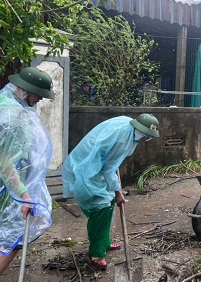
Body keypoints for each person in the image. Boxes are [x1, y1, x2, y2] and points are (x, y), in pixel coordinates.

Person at [0, 66, 54, 282]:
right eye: (38, 94)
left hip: (6, 181)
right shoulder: (10, 115)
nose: (40, 99)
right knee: (15, 236)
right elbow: (4, 160)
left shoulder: (8, 101)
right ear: (25, 90)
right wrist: (23, 195)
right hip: (8, 184)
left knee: (3, 232)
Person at [61, 114, 160, 270]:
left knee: (109, 202)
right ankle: (96, 254)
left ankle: (104, 242)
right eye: (146, 136)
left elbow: (111, 164)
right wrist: (118, 192)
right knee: (101, 208)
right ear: (141, 132)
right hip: (89, 169)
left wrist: (115, 191)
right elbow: (108, 170)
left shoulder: (128, 126)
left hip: (97, 166)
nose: (146, 140)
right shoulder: (123, 140)